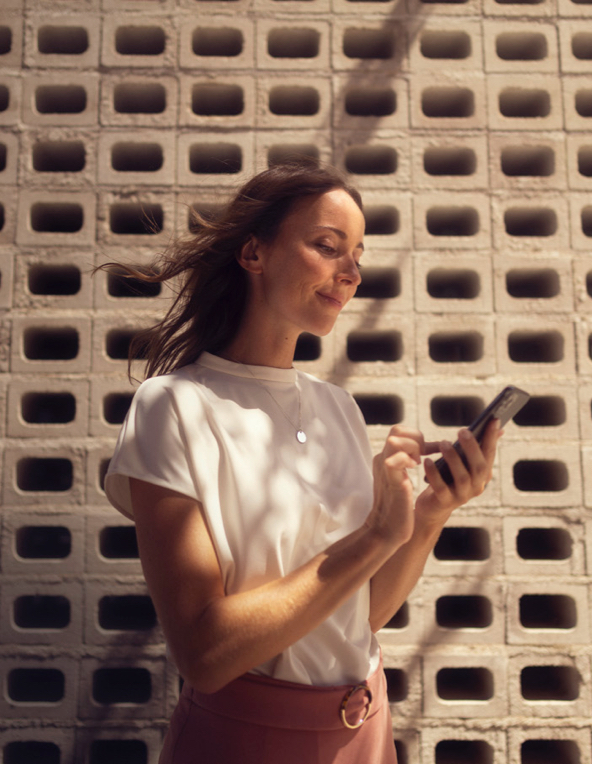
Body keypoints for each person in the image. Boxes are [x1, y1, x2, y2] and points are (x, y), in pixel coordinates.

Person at [103, 162, 501, 764]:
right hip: (245, 739)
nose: (350, 273)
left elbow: (357, 615)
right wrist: (374, 535)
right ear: (254, 253)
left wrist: (429, 514)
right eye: (327, 246)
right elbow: (205, 655)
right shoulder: (174, 407)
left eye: (358, 255)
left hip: (365, 733)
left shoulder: (336, 407)